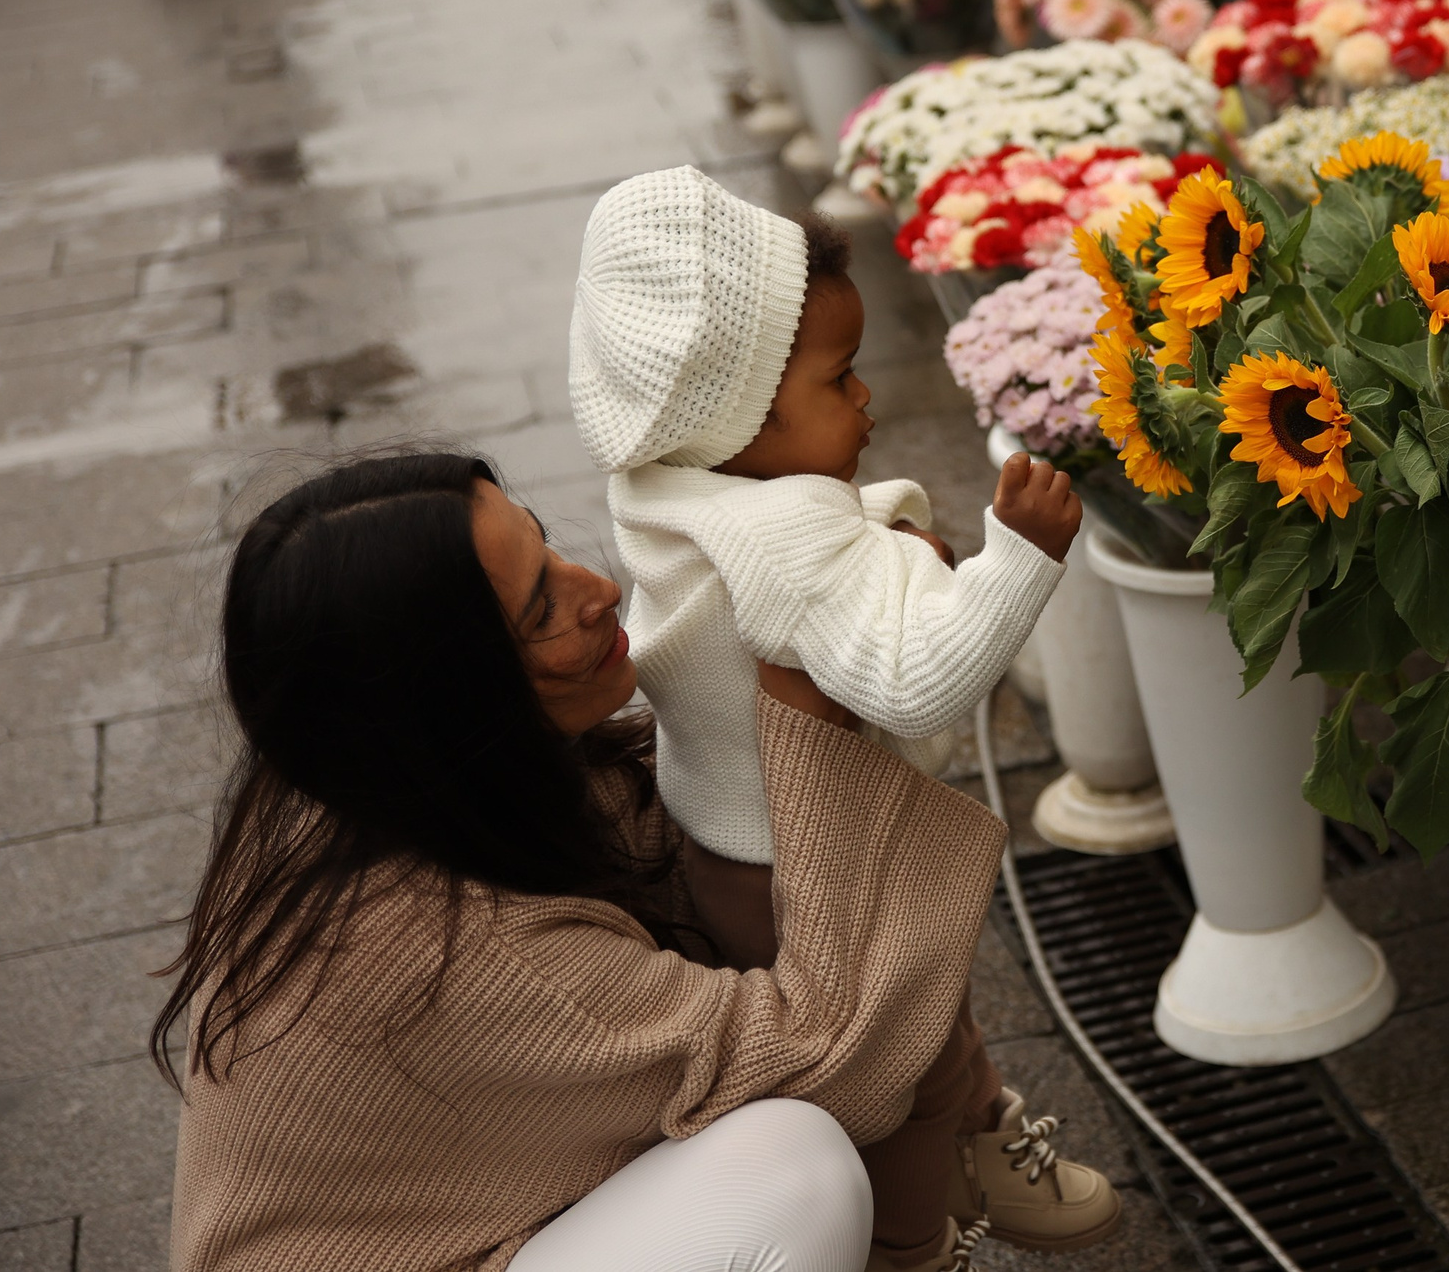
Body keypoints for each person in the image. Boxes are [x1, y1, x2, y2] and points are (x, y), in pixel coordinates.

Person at [157, 452, 1045, 1271]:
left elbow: (693, 821)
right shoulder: (446, 945)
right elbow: (831, 1056)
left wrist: (866, 602)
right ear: (452, 697)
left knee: (804, 888)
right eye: (540, 607)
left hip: (469, 1218)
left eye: (547, 546)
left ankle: (966, 1132)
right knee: (791, 1170)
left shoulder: (367, 776)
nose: (597, 589)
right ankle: (928, 1213)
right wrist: (807, 722)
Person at [566, 167, 1117, 1266]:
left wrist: (878, 531)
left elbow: (790, 556)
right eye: (841, 375)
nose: (867, 399)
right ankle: (916, 1238)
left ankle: (981, 1129)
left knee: (926, 1004)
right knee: (891, 1064)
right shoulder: (784, 533)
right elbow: (916, 680)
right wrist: (1021, 559)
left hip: (724, 844)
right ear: (735, 417)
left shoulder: (666, 485)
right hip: (809, 865)